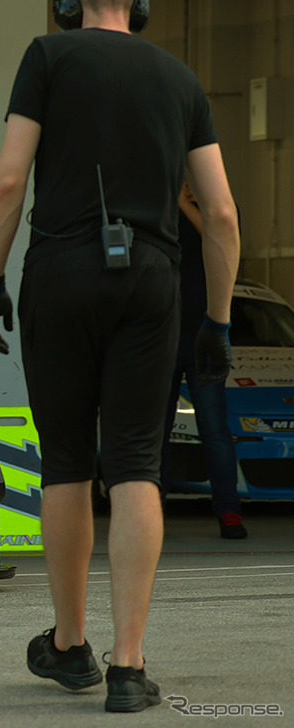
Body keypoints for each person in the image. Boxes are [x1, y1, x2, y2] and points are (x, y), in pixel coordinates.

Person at [0, 0, 239, 713]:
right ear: (139, 3)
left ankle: (68, 645)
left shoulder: (47, 57)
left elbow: (8, 178)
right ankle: (129, 665)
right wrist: (216, 319)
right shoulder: (179, 79)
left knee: (64, 462)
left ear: (68, 1)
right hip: (150, 279)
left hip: (60, 273)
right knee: (135, 464)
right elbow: (220, 213)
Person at [161, 182, 246, 539]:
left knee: (214, 429)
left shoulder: (217, 206)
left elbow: (219, 237)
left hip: (204, 335)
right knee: (153, 432)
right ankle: (151, 512)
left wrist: (185, 202)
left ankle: (228, 512)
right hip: (160, 336)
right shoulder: (159, 205)